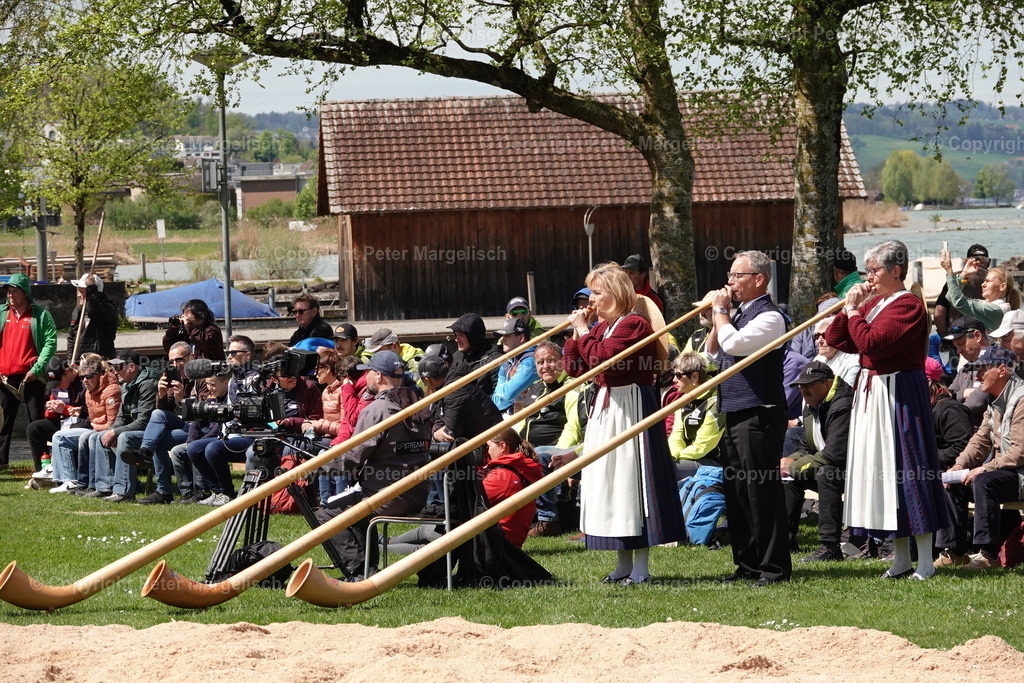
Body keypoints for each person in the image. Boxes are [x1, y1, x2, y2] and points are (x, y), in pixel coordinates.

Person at [823, 239, 949, 580]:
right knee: (883, 478)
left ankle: (926, 561)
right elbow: (838, 338)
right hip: (874, 393)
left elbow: (872, 344)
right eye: (867, 270)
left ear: (896, 270)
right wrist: (848, 307)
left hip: (898, 395)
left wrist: (852, 312)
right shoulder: (875, 302)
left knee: (909, 472)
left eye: (874, 270)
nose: (869, 277)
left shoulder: (907, 305)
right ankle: (901, 559)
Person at [556, 262, 684, 586]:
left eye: (597, 293)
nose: (591, 300)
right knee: (612, 485)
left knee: (633, 483)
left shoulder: (634, 325)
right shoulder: (599, 329)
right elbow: (573, 367)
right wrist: (577, 331)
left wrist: (585, 333)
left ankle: (641, 567)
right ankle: (622, 564)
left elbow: (603, 362)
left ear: (615, 293)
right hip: (607, 406)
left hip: (632, 406)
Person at [703, 249, 791, 586]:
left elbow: (736, 345)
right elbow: (711, 355)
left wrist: (722, 312)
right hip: (734, 411)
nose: (730, 282)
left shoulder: (771, 317)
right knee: (738, 492)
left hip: (760, 412)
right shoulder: (735, 316)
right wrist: (717, 317)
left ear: (759, 279)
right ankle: (748, 564)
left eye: (737, 276)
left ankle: (774, 568)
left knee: (761, 492)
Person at [317, 351, 432, 578]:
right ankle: (367, 569)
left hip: (387, 497)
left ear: (378, 377)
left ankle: (357, 571)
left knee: (326, 515)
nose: (366, 377)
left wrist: (318, 466)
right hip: (418, 493)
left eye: (368, 372)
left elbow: (352, 458)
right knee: (354, 507)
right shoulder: (420, 404)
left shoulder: (377, 410)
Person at [941, 346, 1024, 570]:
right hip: (1005, 472)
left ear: (1002, 370)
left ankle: (989, 555)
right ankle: (955, 552)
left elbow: (1021, 451)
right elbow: (979, 441)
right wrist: (958, 465)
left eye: (982, 369)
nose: (976, 377)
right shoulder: (994, 400)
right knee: (952, 481)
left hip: (1020, 474)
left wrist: (986, 468)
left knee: (983, 481)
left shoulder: (1022, 400)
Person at [780, 361, 853, 563]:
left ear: (828, 384)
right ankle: (786, 540)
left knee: (825, 473)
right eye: (801, 386)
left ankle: (829, 547)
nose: (804, 390)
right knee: (788, 477)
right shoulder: (812, 405)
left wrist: (793, 466)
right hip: (832, 467)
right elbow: (806, 446)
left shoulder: (843, 405)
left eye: (810, 384)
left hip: (857, 473)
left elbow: (834, 455)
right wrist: (788, 461)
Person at [119, 341, 197, 504]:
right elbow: (164, 412)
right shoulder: (173, 379)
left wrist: (182, 400)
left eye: (179, 360)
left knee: (156, 437)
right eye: (171, 362)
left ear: (192, 357)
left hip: (197, 429)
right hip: (181, 428)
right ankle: (162, 490)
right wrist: (161, 395)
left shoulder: (200, 378)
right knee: (157, 428)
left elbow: (200, 416)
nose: (175, 365)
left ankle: (146, 454)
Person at [0, 273, 57, 469]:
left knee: (37, 422)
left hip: (32, 377)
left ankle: (43, 465)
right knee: (2, 423)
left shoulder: (40, 315)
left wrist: (37, 369)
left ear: (25, 293)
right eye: (8, 291)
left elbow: (50, 342)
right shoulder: (1, 313)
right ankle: (1, 464)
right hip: (5, 379)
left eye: (14, 291)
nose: (10, 295)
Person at [49, 357, 120, 494]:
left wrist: (93, 423)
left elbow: (111, 423)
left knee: (82, 437)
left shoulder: (112, 390)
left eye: (88, 377)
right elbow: (92, 418)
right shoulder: (88, 392)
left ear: (99, 375)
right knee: (57, 435)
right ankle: (70, 480)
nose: (84, 381)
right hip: (95, 427)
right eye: (82, 378)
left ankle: (81, 482)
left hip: (108, 430)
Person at [98, 350, 160, 502]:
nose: (115, 372)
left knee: (124, 436)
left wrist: (115, 432)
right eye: (113, 368)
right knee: (99, 436)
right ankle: (103, 487)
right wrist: (111, 431)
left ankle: (124, 491)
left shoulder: (147, 385)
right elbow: (121, 418)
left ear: (132, 367)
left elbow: (144, 422)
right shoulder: (127, 385)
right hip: (136, 430)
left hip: (150, 435)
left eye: (119, 367)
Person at [481, 428, 544, 547]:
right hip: (507, 543)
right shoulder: (518, 468)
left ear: (502, 446)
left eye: (488, 446)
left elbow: (472, 501)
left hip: (495, 544)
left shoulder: (503, 476)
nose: (485, 452)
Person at [667, 352, 724, 480]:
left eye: (678, 375)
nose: (674, 380)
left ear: (694, 376)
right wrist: (672, 455)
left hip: (713, 463)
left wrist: (676, 457)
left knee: (663, 469)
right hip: (687, 458)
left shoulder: (715, 403)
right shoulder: (683, 400)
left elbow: (702, 447)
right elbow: (677, 434)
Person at [26, 357, 87, 476]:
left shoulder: (84, 380)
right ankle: (42, 469)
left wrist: (65, 409)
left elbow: (88, 411)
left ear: (68, 371)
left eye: (59, 382)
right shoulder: (58, 387)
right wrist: (51, 407)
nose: (58, 386)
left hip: (82, 423)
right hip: (65, 422)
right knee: (34, 428)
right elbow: (51, 416)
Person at [940, 248, 1019, 332]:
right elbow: (951, 298)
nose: (983, 284)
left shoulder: (995, 309)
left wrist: (949, 271)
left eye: (988, 281)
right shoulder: (987, 304)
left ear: (1002, 286)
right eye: (984, 280)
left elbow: (959, 302)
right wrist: (964, 275)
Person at [943, 315, 991, 428]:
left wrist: (956, 396)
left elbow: (976, 403)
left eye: (961, 344)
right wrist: (964, 393)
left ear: (977, 336)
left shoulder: (997, 363)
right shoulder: (966, 369)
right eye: (956, 347)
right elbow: (947, 396)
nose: (959, 351)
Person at [934, 243, 989, 337]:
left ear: (966, 261)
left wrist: (945, 338)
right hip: (986, 336)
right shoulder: (995, 279)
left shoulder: (954, 280)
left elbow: (939, 313)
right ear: (989, 262)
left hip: (957, 335)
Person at [491, 317, 538, 414]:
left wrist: (506, 392)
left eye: (507, 336)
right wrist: (507, 391)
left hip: (532, 416)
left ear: (521, 338)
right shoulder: (507, 361)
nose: (503, 340)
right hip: (511, 414)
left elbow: (508, 395)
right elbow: (498, 403)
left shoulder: (531, 360)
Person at [448, 312, 502, 396]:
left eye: (461, 335)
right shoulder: (456, 357)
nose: (456, 340)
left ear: (473, 337)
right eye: (455, 335)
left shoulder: (494, 360)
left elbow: (499, 397)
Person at [67, 273, 117, 360]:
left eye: (82, 292)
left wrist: (91, 288)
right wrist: (70, 360)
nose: (78, 295)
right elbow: (71, 338)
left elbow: (94, 312)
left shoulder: (107, 308)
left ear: (94, 293)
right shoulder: (78, 310)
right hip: (80, 361)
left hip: (101, 360)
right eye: (78, 291)